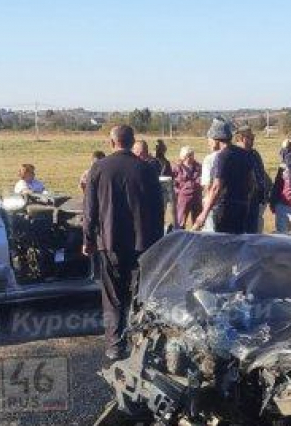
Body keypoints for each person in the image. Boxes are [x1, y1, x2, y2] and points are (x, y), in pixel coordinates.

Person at [83, 125, 164, 360]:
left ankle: (115, 345)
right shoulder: (147, 169)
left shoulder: (98, 168)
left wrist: (88, 239)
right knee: (141, 295)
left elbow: (90, 210)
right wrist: (158, 242)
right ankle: (141, 343)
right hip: (143, 243)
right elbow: (158, 209)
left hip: (110, 242)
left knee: (112, 298)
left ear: (112, 143)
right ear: (132, 141)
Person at [194, 118, 255, 234]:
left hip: (225, 210)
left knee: (223, 245)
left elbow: (216, 187)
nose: (209, 143)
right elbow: (252, 183)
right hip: (242, 208)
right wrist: (245, 201)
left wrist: (204, 214)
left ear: (217, 139)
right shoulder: (245, 154)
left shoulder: (222, 156)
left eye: (210, 140)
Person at [236, 125, 270, 233]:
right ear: (241, 138)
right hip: (240, 200)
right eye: (250, 138)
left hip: (255, 200)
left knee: (253, 232)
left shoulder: (254, 154)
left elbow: (261, 174)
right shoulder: (233, 155)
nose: (253, 141)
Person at [173, 146, 203, 228]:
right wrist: (179, 191)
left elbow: (203, 179)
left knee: (197, 222)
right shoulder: (177, 167)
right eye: (188, 155)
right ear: (183, 156)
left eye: (191, 155)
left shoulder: (199, 166)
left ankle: (197, 238)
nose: (190, 157)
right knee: (180, 222)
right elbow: (173, 182)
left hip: (196, 196)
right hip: (183, 198)